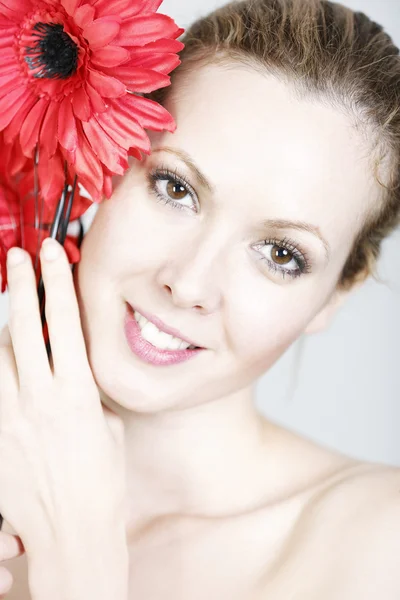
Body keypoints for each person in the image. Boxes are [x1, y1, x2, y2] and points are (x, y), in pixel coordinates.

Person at [1, 0, 400, 598]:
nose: (187, 283)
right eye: (175, 187)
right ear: (100, 167)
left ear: (333, 296)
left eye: (280, 254)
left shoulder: (378, 548)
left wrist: (78, 560)